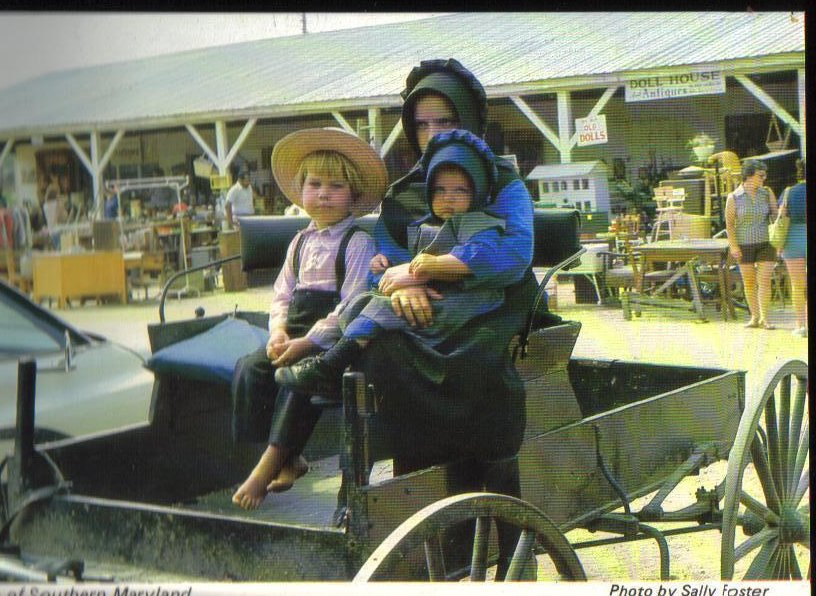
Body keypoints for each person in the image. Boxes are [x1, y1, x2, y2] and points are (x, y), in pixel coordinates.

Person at [276, 130, 509, 394]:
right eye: (440, 190)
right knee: (360, 301)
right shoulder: (423, 225)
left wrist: (429, 267)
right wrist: (383, 266)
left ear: (477, 192)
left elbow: (483, 255)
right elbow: (400, 260)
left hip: (461, 300)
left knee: (382, 309)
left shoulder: (479, 223)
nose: (449, 197)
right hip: (423, 295)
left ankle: (331, 363)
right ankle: (333, 363)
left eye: (460, 190)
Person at [231, 127, 386, 510]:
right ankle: (290, 457)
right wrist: (278, 331)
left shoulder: (357, 243)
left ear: (353, 195)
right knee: (250, 369)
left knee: (298, 377)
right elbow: (282, 293)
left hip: (334, 340)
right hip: (295, 331)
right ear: (301, 191)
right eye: (315, 184)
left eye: (335, 186)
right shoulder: (299, 242)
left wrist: (307, 342)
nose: (323, 194)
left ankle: (268, 465)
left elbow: (350, 305)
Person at [725, 159, 778, 330]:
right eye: (761, 175)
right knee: (749, 282)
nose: (764, 178)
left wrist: (781, 213)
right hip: (744, 243)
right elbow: (730, 224)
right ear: (749, 176)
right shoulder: (733, 197)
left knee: (764, 280)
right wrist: (733, 246)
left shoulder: (766, 193)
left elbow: (775, 216)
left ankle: (765, 318)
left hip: (765, 242)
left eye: (765, 175)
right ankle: (754, 316)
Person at [778, 160, 806, 337]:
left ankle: (801, 325)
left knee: (797, 285)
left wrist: (779, 246)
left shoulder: (789, 192)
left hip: (792, 239)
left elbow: (780, 216)